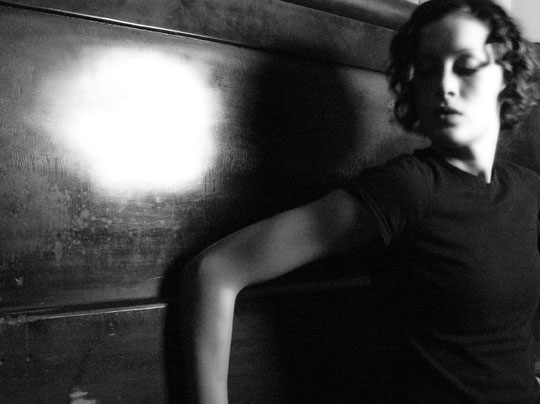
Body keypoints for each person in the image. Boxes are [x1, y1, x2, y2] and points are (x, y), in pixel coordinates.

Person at [177, 0, 540, 403]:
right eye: (427, 70)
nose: (445, 86)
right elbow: (214, 271)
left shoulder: (528, 190)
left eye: (466, 66)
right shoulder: (408, 189)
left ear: (506, 75)